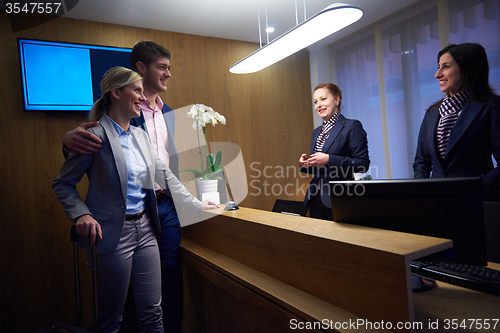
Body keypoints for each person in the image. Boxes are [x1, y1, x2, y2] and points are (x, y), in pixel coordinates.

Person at [53, 67, 219, 333]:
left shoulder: (140, 136)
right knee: (112, 319)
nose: (144, 97)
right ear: (116, 93)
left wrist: (196, 204)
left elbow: (166, 177)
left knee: (153, 313)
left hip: (146, 231)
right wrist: (81, 214)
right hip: (111, 235)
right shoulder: (95, 136)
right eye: (138, 90)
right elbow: (63, 183)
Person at [63, 41, 186, 332]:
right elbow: (85, 145)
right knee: (124, 296)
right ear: (141, 69)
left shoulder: (168, 112)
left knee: (168, 280)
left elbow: (169, 166)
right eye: (162, 67)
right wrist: (67, 141)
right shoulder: (124, 107)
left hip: (163, 206)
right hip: (124, 212)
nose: (168, 73)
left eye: (169, 68)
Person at [413, 43, 500, 201]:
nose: (437, 74)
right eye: (438, 67)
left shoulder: (492, 106)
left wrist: (479, 187)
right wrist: (422, 193)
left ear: (468, 69)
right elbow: (421, 163)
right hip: (436, 202)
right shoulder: (432, 113)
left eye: (445, 66)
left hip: (475, 202)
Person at [299, 83, 370, 220]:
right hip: (315, 198)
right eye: (315, 102)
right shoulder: (316, 132)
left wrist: (329, 159)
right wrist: (307, 164)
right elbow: (320, 169)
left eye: (323, 99)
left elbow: (363, 164)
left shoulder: (351, 126)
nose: (318, 105)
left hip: (339, 199)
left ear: (337, 100)